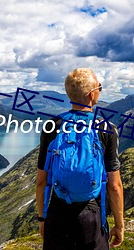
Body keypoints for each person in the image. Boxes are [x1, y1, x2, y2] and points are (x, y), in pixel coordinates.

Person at [36, 68, 124, 250]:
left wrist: (42, 218)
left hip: (58, 212)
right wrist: (119, 225)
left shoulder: (52, 126)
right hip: (91, 215)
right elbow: (114, 185)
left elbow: (41, 181)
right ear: (92, 94)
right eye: (100, 87)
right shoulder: (106, 129)